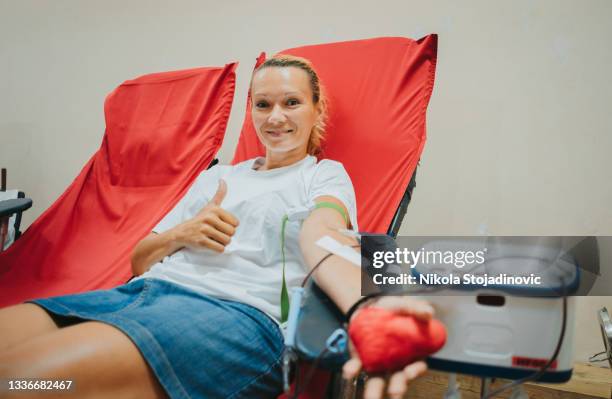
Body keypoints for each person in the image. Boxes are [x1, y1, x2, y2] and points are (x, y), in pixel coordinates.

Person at [0, 55, 433, 399]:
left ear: (316, 109)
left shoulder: (322, 175)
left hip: (234, 316)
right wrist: (181, 234)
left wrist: (364, 307)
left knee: (19, 382)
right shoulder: (218, 177)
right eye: (263, 104)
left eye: (291, 102)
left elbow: (322, 233)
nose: (275, 117)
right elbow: (139, 258)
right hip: (140, 294)